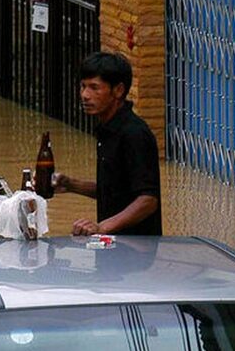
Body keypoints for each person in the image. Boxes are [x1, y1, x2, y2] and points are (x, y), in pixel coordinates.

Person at [53, 52, 163, 236]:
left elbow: (148, 200)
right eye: (83, 86)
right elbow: (113, 190)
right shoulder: (107, 129)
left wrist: (102, 227)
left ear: (118, 90)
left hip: (137, 252)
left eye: (95, 88)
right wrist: (71, 185)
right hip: (113, 245)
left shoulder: (134, 134)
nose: (85, 95)